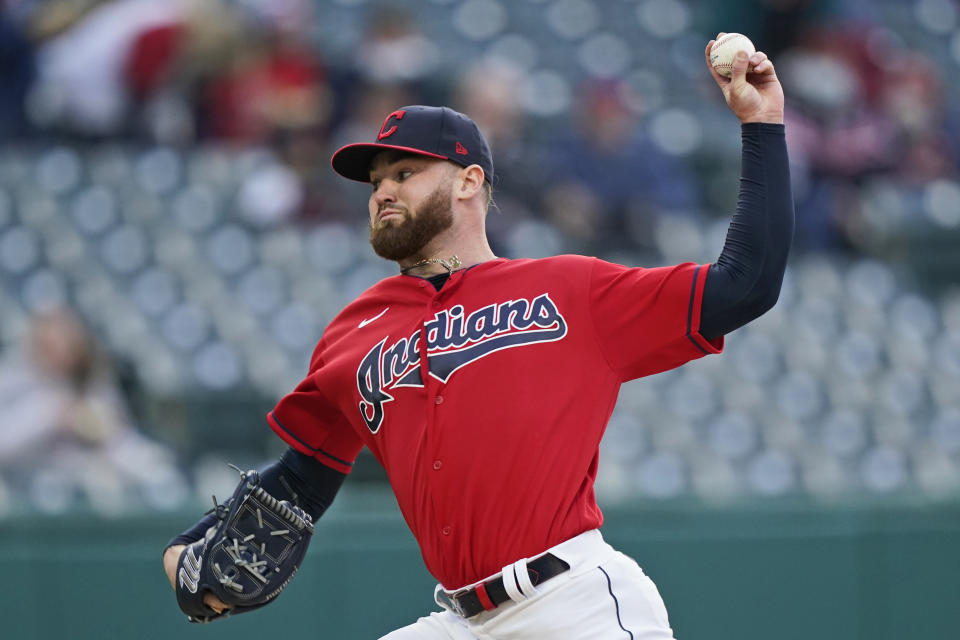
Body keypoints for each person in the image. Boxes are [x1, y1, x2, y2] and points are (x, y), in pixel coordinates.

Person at [163, 34, 794, 638]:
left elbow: (746, 283)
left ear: (468, 181)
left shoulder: (570, 290)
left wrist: (761, 128)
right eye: (376, 179)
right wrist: (193, 547)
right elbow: (303, 478)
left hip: (572, 605)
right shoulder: (353, 333)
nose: (382, 189)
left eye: (404, 172)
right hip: (461, 620)